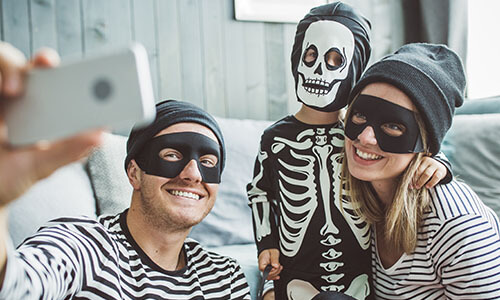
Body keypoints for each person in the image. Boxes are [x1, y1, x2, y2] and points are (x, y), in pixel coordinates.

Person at [0, 42, 250, 299]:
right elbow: (17, 289)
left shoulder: (224, 276)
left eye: (208, 162)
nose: (193, 174)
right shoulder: (82, 245)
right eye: (172, 155)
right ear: (134, 172)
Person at [246, 3, 450, 300]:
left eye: (334, 59)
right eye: (311, 55)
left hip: (360, 275)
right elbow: (260, 192)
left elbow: (406, 154)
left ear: (355, 67)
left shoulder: (360, 134)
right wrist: (266, 242)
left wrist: (440, 162)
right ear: (297, 59)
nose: (319, 68)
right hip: (295, 276)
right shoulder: (275, 138)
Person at [341, 43, 500, 299]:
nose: (366, 137)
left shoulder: (458, 226)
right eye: (359, 115)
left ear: (427, 144)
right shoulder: (354, 196)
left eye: (393, 125)